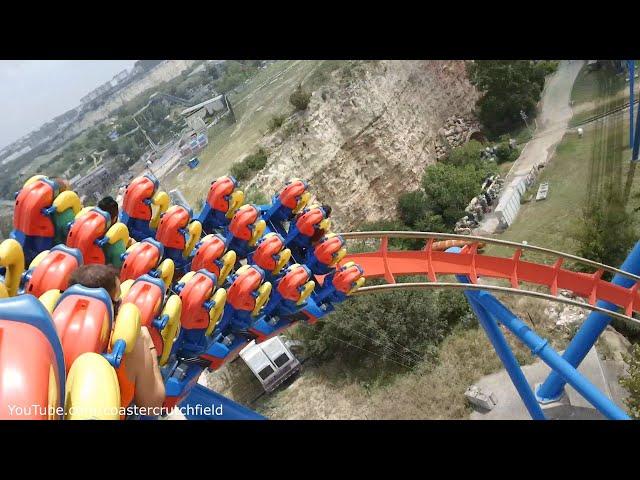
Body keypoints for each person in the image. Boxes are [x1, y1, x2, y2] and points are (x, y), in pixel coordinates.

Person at [68, 264, 166, 412]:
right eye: (118, 299)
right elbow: (152, 406)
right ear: (112, 304)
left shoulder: (49, 330)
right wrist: (150, 348)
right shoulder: (130, 343)